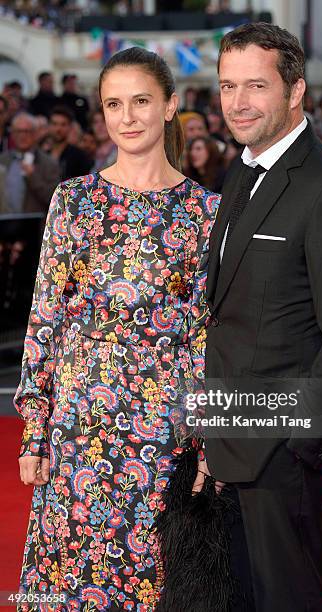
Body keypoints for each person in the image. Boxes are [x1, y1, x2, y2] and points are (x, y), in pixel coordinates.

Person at [15, 46, 219, 609]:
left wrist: (207, 441)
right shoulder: (74, 200)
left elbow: (205, 334)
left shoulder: (206, 212)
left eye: (141, 101)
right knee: (74, 577)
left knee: (158, 581)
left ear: (170, 106)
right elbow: (45, 318)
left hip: (163, 432)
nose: (127, 117)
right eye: (113, 104)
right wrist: (36, 427)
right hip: (81, 427)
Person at [199, 23, 322, 611]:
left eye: (255, 85)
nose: (237, 103)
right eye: (227, 87)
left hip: (281, 456)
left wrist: (301, 447)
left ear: (296, 89)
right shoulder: (241, 175)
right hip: (229, 442)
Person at [0, 112, 60, 214]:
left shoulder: (49, 163)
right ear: (12, 134)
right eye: (18, 131)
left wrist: (33, 177)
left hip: (34, 225)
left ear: (35, 134)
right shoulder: (3, 160)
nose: (22, 136)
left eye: (27, 131)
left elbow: (55, 200)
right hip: (5, 224)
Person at [48, 105, 92, 180]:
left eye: (63, 124)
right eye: (54, 124)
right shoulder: (42, 154)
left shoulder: (79, 157)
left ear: (70, 127)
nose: (58, 129)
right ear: (49, 126)